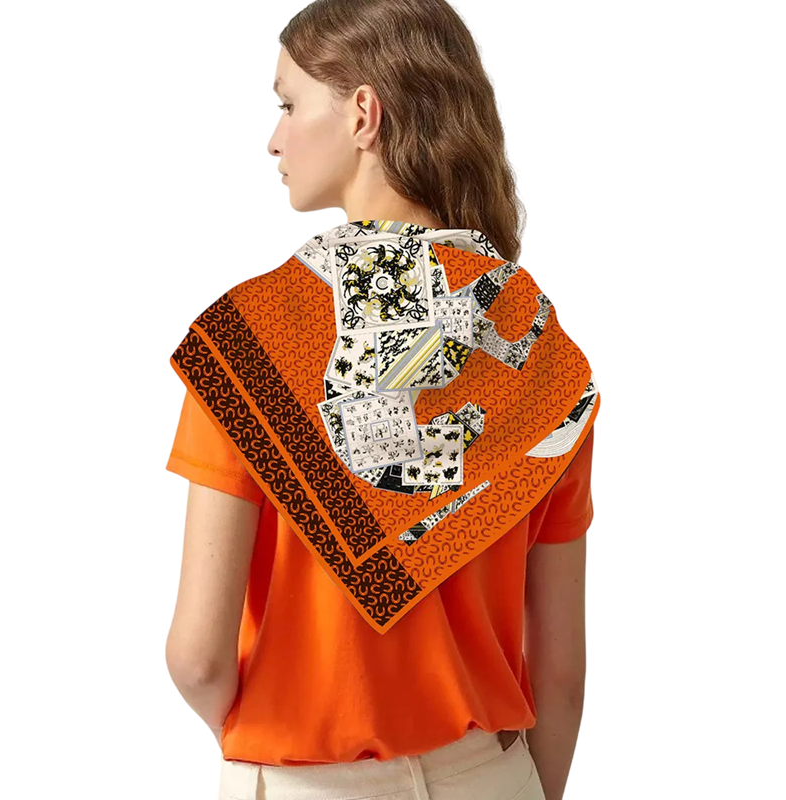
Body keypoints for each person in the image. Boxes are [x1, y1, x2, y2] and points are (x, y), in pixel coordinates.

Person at [164, 2, 596, 799]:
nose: (273, 138)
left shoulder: (247, 344)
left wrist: (264, 751)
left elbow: (198, 658)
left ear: (364, 113)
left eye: (288, 103)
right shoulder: (543, 356)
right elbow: (560, 674)